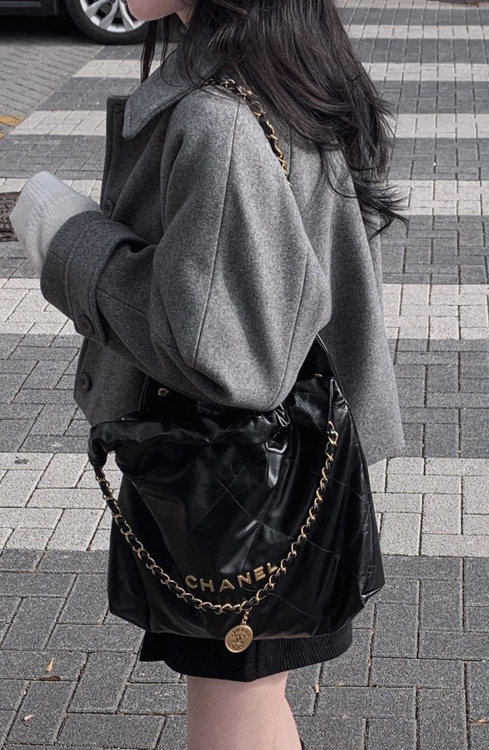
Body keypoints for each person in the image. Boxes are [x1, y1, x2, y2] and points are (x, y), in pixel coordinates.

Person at [9, 0, 406, 748]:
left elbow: (220, 352)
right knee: (251, 700)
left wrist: (68, 240)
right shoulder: (285, 64)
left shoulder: (218, 117)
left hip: (234, 486)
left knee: (237, 707)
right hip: (284, 468)